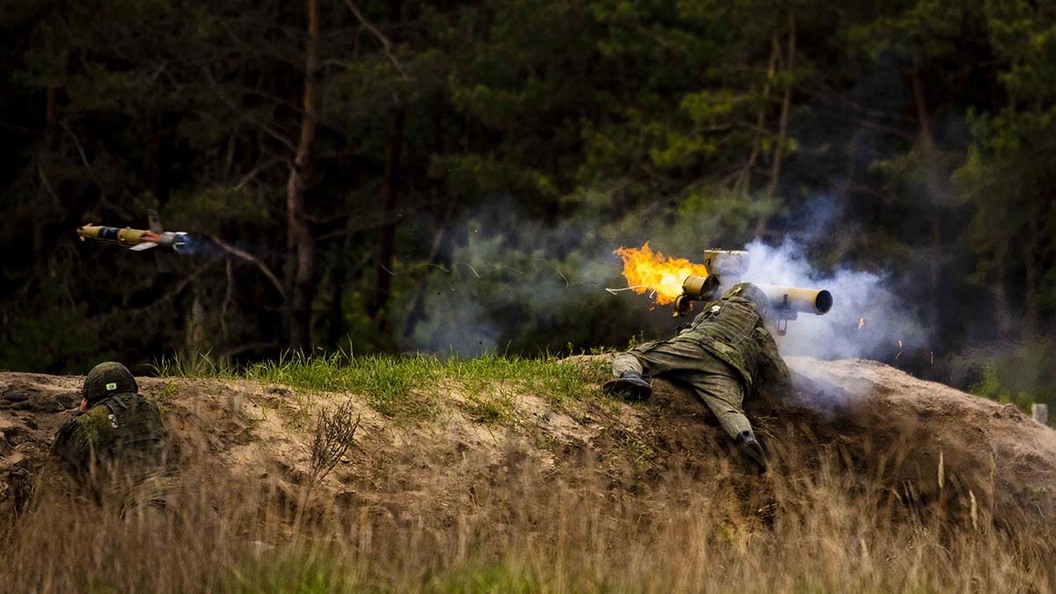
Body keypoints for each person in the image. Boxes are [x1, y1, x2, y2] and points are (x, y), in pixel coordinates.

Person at [604, 282, 793, 473]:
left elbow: (693, 329)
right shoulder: (760, 330)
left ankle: (631, 377)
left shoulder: (716, 308)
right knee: (729, 409)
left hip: (692, 349)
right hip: (726, 369)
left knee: (635, 355)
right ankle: (745, 437)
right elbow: (779, 375)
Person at [51, 361, 170, 514]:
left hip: (137, 499)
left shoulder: (93, 418)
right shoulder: (150, 407)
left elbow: (60, 449)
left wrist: (81, 413)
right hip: (175, 484)